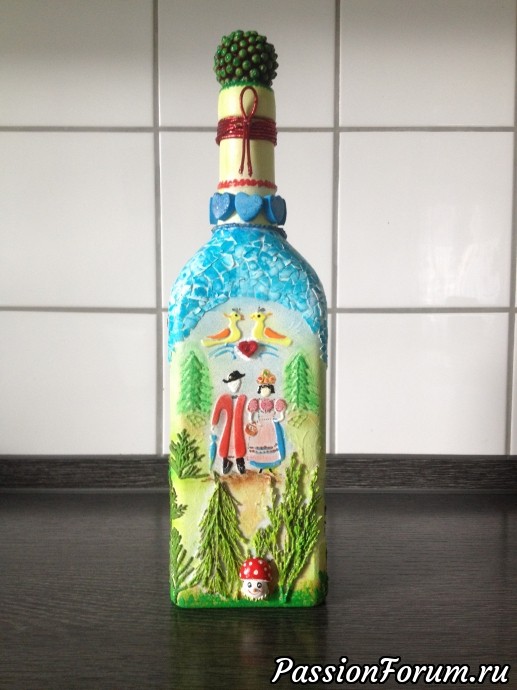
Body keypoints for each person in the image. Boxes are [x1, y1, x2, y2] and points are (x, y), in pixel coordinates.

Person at [246, 369, 287, 471]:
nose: (265, 390)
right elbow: (251, 413)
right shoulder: (257, 402)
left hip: (270, 427)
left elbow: (281, 412)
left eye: (267, 388)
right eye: (263, 387)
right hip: (260, 426)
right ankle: (260, 465)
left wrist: (281, 417)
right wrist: (251, 419)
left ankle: (271, 463)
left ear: (271, 389)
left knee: (271, 443)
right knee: (259, 443)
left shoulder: (275, 402)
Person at [211, 370, 247, 475]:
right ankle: (226, 462)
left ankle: (240, 461)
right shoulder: (225, 398)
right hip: (228, 428)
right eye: (233, 383)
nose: (236, 385)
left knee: (239, 442)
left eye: (238, 382)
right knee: (225, 443)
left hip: (238, 428)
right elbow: (217, 409)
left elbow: (248, 411)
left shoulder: (242, 398)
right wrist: (214, 423)